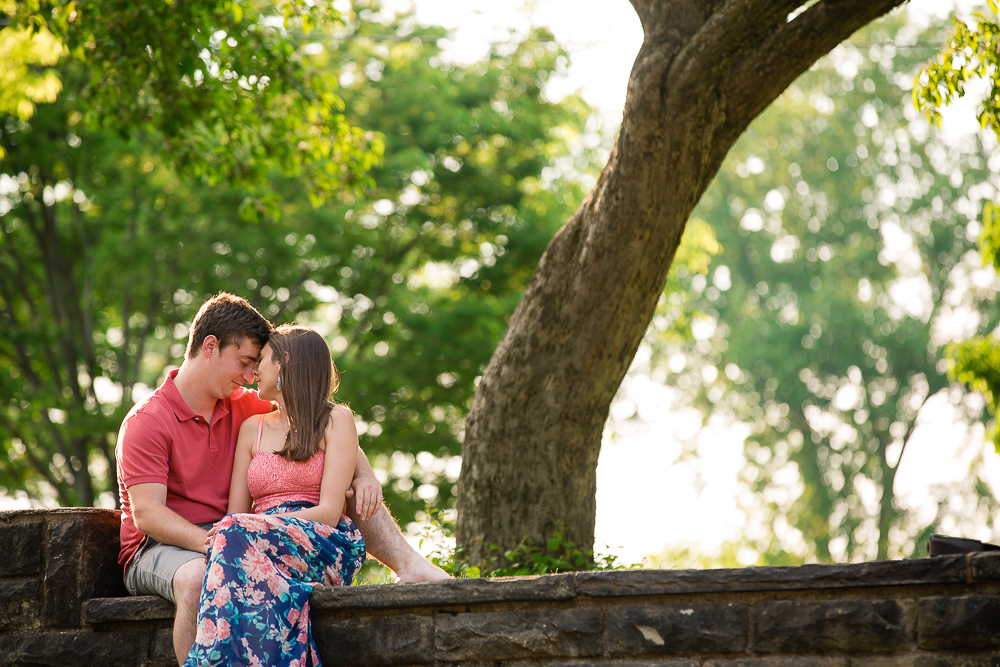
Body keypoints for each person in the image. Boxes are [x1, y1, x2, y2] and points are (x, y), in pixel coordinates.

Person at [116, 293, 448, 666]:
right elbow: (148, 515)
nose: (249, 375)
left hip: (243, 531)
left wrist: (365, 472)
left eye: (256, 365)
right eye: (244, 362)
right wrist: (220, 540)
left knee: (343, 489)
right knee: (197, 578)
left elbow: (314, 422)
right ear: (210, 347)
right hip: (160, 545)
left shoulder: (242, 404)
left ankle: (408, 564)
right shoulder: (147, 421)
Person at [184, 324, 364, 666]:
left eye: (261, 360)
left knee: (233, 531)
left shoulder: (336, 420)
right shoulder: (253, 428)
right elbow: (235, 512)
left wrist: (255, 525)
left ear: (284, 364)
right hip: (257, 540)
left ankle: (211, 658)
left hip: (320, 537)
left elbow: (328, 510)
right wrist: (246, 527)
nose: (254, 371)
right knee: (233, 534)